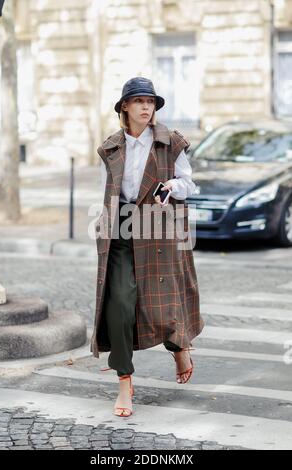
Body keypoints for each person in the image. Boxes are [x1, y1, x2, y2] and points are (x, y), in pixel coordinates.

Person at [91, 77, 205, 417]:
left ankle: (179, 345)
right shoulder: (111, 148)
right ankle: (125, 379)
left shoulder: (170, 143)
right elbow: (107, 193)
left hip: (159, 228)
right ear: (124, 107)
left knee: (163, 301)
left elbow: (189, 184)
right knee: (121, 306)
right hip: (123, 230)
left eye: (150, 102)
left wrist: (172, 184)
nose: (145, 107)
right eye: (139, 101)